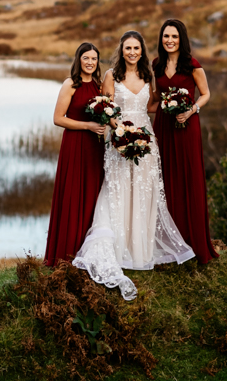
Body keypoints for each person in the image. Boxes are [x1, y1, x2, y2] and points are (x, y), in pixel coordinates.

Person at [72, 31, 195, 299]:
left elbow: (149, 105)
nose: (132, 52)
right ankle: (116, 249)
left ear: (141, 51)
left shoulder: (148, 75)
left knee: (143, 191)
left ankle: (140, 251)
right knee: (117, 190)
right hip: (119, 138)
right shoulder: (111, 76)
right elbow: (105, 108)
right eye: (128, 48)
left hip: (146, 140)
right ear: (121, 50)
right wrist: (120, 131)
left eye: (136, 48)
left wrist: (174, 105)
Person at [152, 19, 219, 264]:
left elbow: (206, 94)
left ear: (182, 39)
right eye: (166, 36)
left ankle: (193, 243)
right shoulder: (156, 64)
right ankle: (169, 245)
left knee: (188, 178)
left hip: (186, 126)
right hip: (163, 127)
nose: (169, 40)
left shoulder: (192, 64)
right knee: (165, 178)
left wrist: (191, 110)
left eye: (174, 36)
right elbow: (156, 96)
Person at [44, 42, 108, 266]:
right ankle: (65, 254)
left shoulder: (100, 87)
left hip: (95, 147)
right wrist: (87, 126)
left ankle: (87, 252)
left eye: (94, 59)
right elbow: (58, 118)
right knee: (73, 195)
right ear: (78, 60)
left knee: (92, 195)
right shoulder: (70, 84)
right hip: (74, 145)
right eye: (86, 58)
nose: (90, 62)